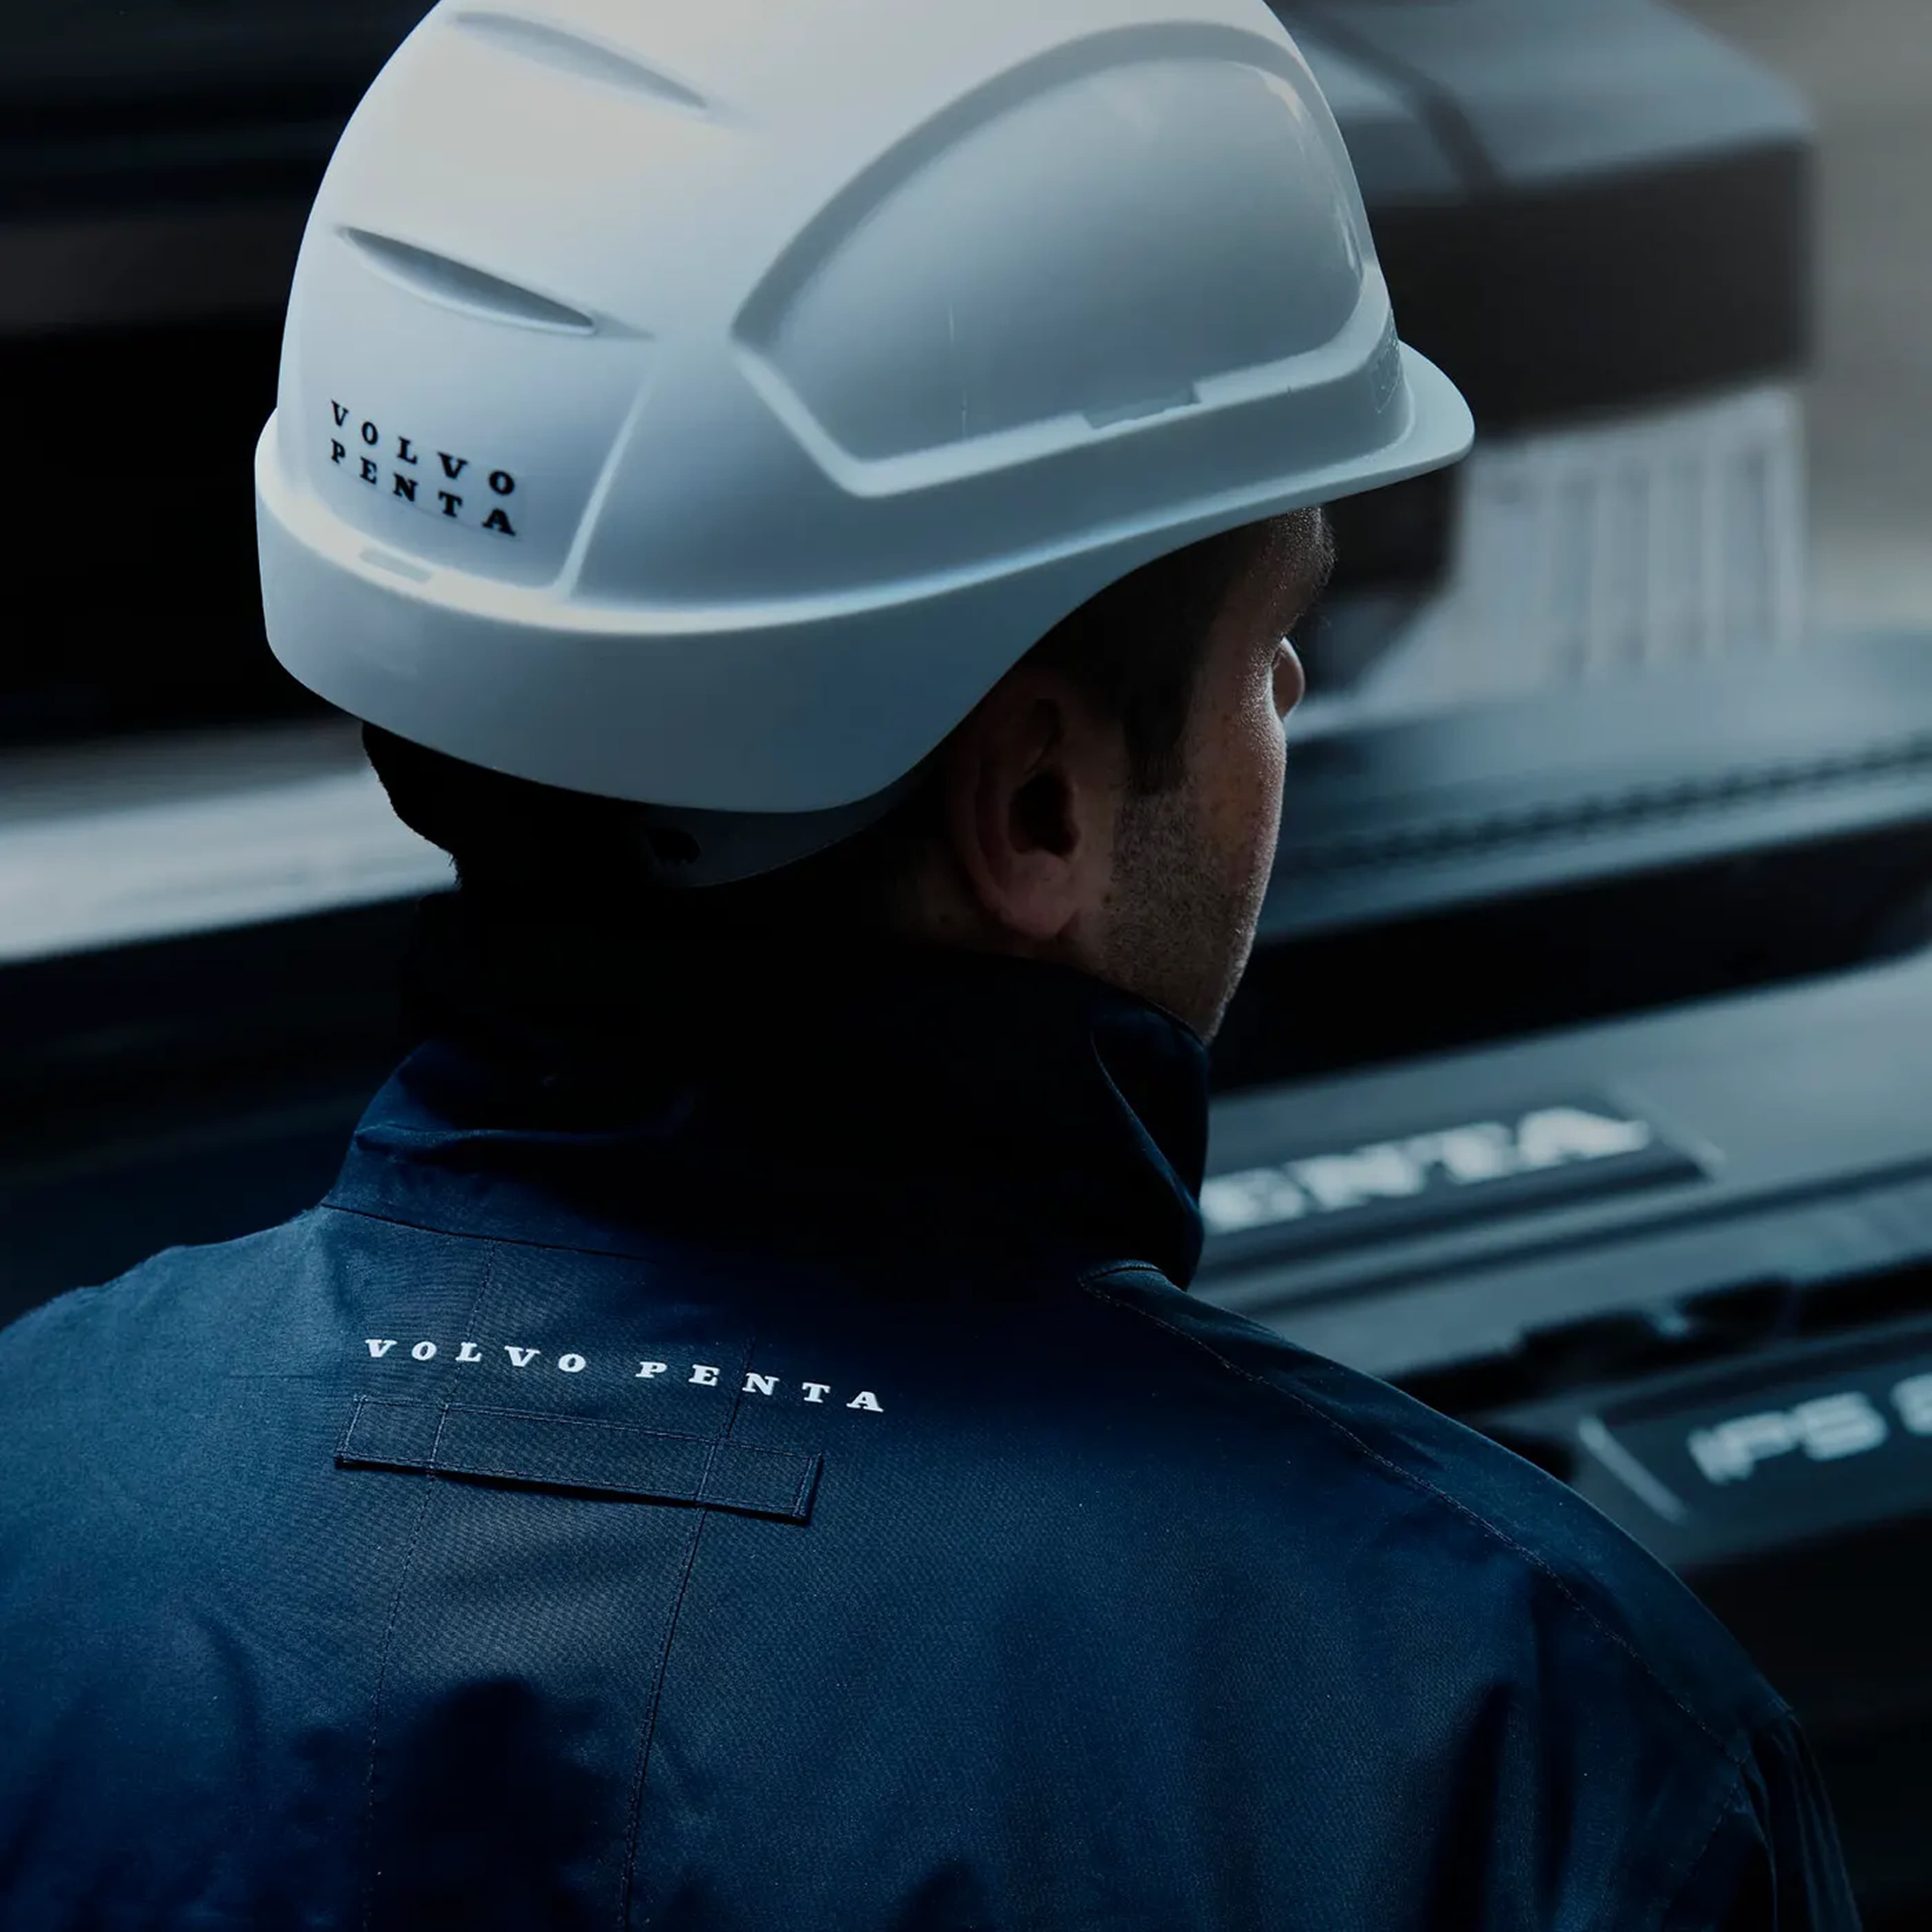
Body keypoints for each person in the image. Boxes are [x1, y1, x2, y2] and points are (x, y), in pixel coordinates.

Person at [0, 0, 1860, 1926]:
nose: (1293, 692)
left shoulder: (32, 1499)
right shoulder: (1511, 1750)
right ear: (1039, 807)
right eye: (1266, 640)